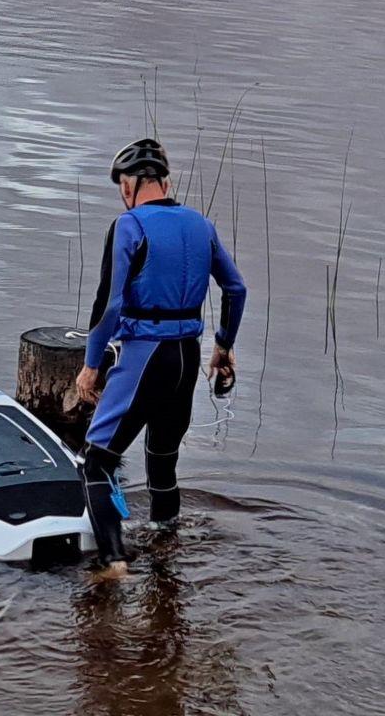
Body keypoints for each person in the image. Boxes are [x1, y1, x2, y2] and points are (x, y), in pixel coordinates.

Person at [74, 137, 247, 577]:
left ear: (127, 185)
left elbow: (109, 304)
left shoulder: (129, 225)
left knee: (96, 462)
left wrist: (91, 366)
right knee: (163, 462)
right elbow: (235, 288)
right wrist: (223, 346)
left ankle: (113, 561)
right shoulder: (201, 224)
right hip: (187, 356)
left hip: (145, 357)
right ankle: (165, 549)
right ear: (166, 182)